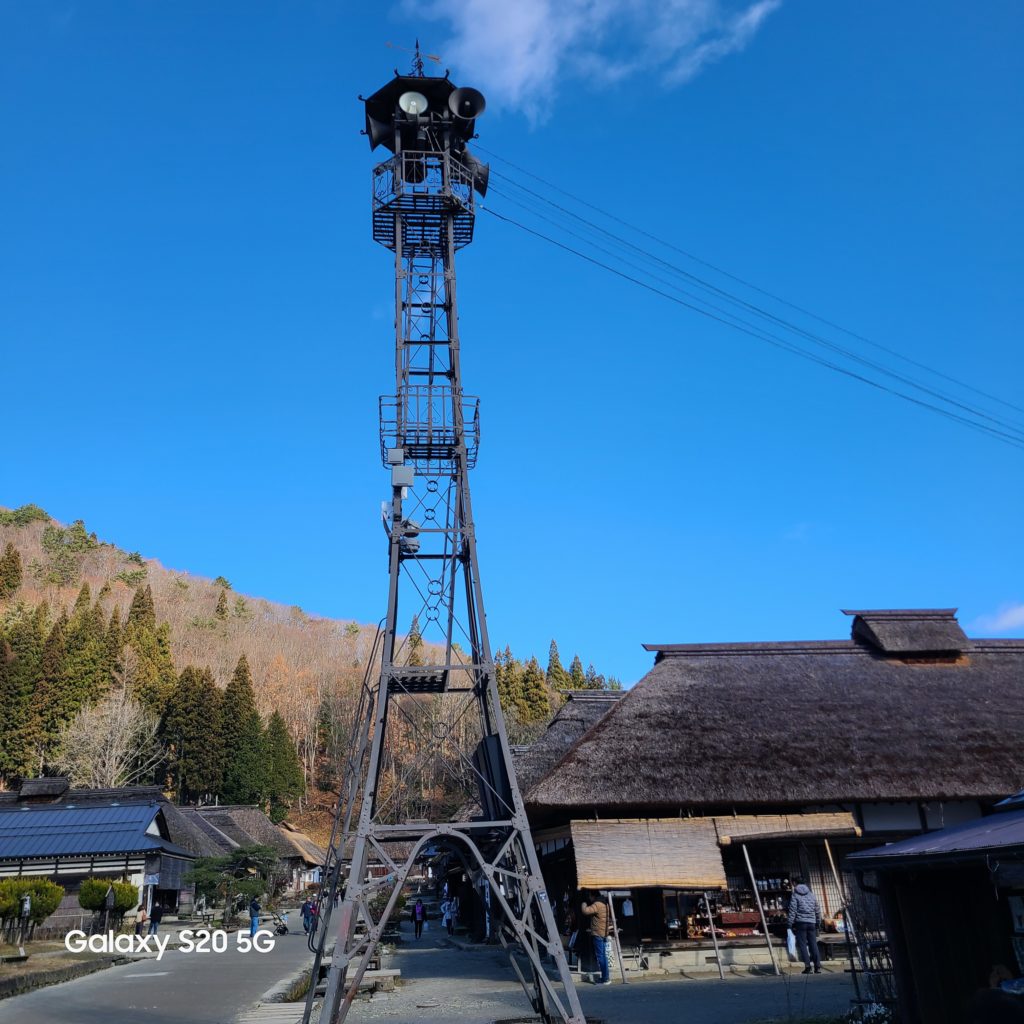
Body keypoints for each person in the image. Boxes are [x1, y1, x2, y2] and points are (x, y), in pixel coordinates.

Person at [787, 881, 822, 974]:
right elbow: (817, 910)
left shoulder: (795, 895)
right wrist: (818, 922)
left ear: (795, 884)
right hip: (812, 923)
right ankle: (817, 967)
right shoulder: (811, 895)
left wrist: (790, 923)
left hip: (801, 923)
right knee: (813, 944)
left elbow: (792, 910)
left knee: (803, 945)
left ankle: (808, 967)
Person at [581, 890, 612, 985]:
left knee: (601, 957)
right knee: (604, 956)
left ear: (593, 896)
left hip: (598, 933)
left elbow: (585, 911)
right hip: (603, 932)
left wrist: (583, 903)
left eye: (590, 896)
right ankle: (606, 977)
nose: (589, 898)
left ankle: (605, 978)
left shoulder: (597, 904)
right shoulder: (605, 903)